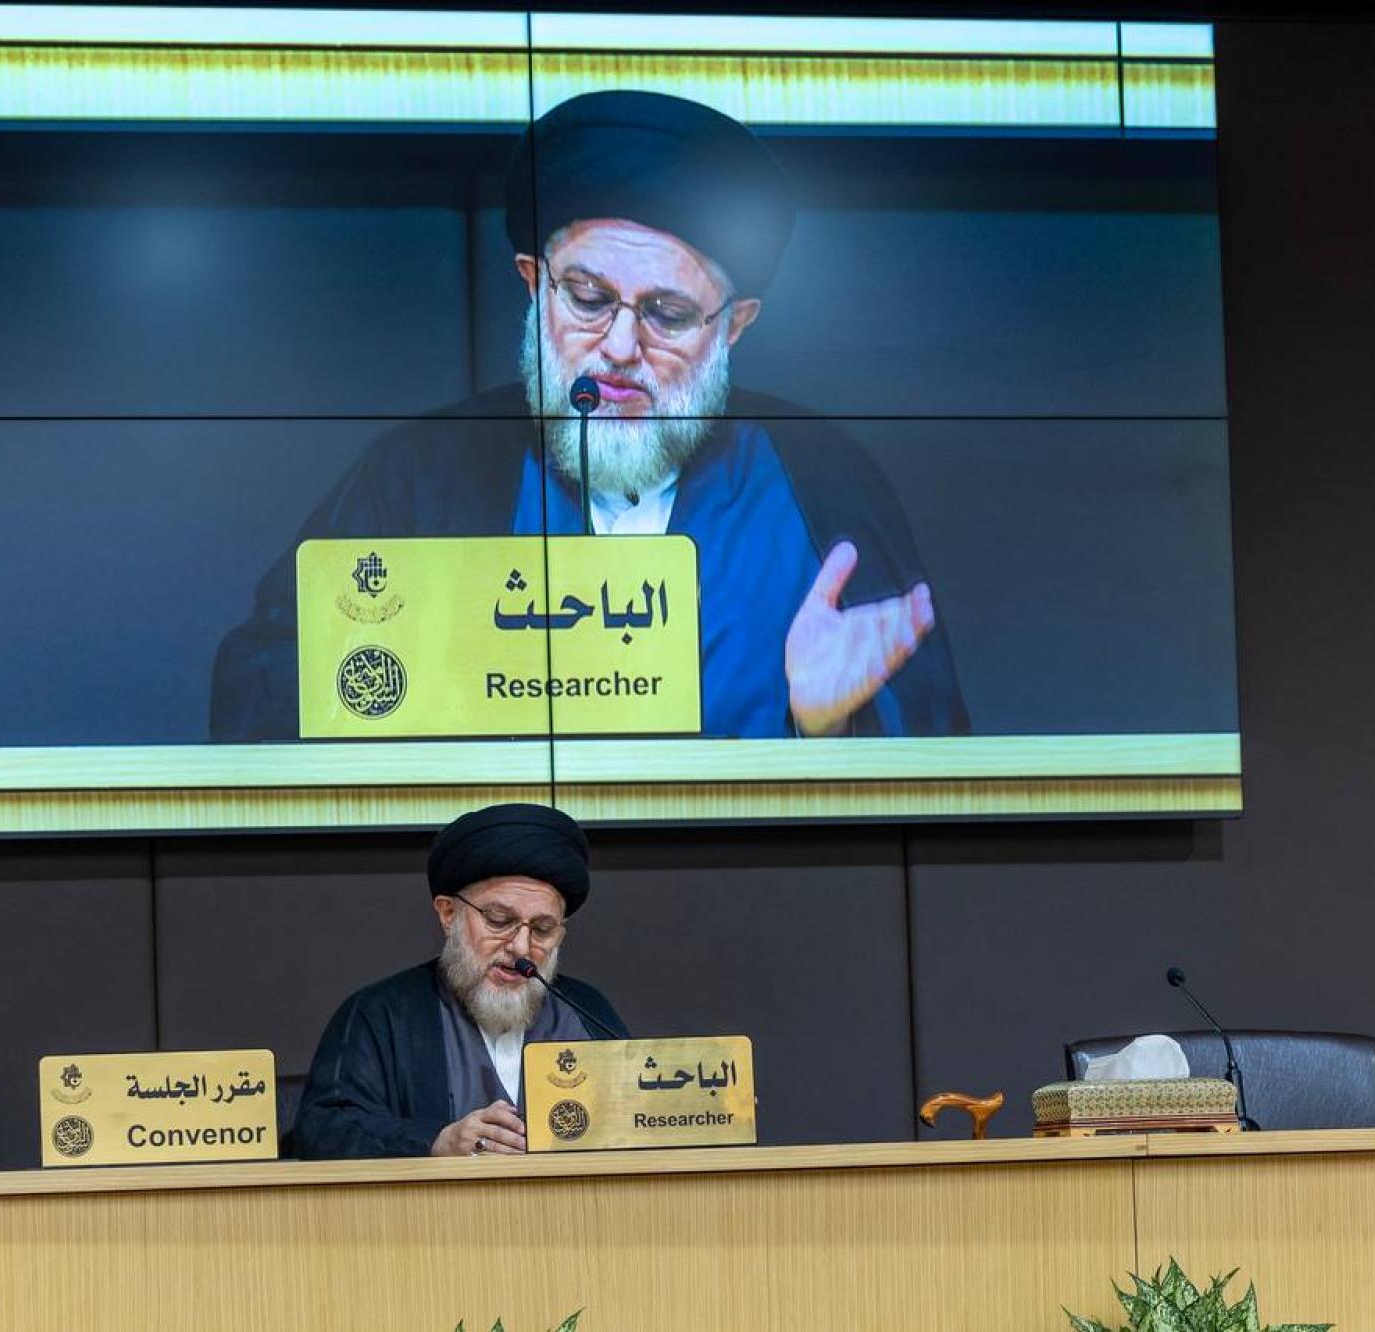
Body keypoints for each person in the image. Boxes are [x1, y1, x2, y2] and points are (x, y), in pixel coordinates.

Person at [213, 90, 968, 741]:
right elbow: (262, 692)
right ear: (533, 283)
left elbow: (932, 757)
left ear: (734, 325)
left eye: (667, 313)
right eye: (588, 298)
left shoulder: (819, 477)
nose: (619, 348)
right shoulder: (425, 471)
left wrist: (827, 725)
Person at [293, 802, 627, 1159]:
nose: (521, 947)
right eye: (499, 920)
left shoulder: (586, 1013)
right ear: (448, 914)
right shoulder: (382, 1014)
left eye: (542, 929)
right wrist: (435, 1142)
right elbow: (324, 1129)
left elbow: (643, 1119)